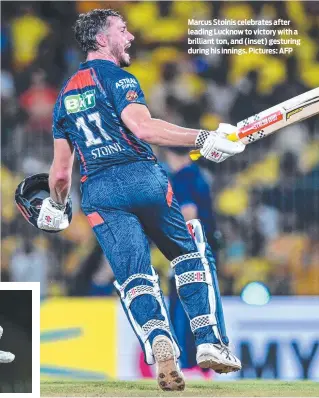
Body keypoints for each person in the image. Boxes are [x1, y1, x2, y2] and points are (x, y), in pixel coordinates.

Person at [36, 9, 244, 391]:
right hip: (140, 176)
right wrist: (205, 138)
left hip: (98, 192)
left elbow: (61, 173)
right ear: (102, 39)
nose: (130, 36)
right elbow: (144, 128)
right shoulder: (118, 78)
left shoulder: (63, 97)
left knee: (134, 275)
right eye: (122, 30)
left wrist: (56, 205)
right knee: (187, 253)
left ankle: (157, 339)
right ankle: (208, 341)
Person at [164, 147, 220, 377]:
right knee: (200, 307)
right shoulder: (199, 176)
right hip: (204, 248)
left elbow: (188, 214)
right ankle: (200, 363)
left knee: (181, 308)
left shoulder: (183, 177)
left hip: (189, 251)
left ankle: (186, 365)